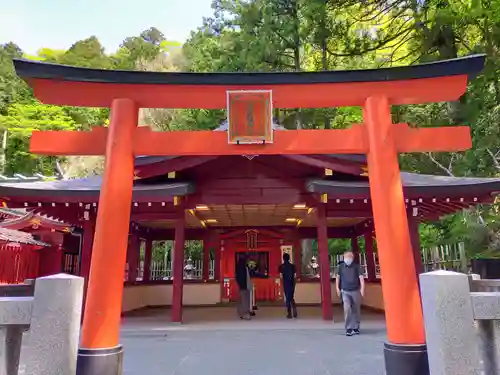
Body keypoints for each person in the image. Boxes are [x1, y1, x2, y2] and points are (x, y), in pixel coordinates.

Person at [336, 251, 365, 336]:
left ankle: (356, 327)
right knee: (347, 309)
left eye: (349, 257)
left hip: (355, 290)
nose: (347, 259)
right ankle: (348, 328)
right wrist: (337, 288)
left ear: (352, 258)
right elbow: (338, 278)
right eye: (346, 257)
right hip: (345, 291)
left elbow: (361, 278)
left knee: (356, 310)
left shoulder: (357, 267)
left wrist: (362, 289)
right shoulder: (341, 267)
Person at [278, 252, 298, 319]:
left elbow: (280, 276)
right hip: (292, 283)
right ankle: (294, 307)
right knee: (291, 296)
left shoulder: (281, 266)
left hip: (286, 283)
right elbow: (295, 276)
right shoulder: (293, 266)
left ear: (283, 259)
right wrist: (294, 284)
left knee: (287, 298)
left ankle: (289, 314)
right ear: (289, 258)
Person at [235, 255, 252, 320]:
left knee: (241, 300)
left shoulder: (238, 269)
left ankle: (240, 313)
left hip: (240, 286)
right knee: (245, 301)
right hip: (245, 286)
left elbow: (237, 278)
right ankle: (245, 314)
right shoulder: (244, 269)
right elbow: (246, 278)